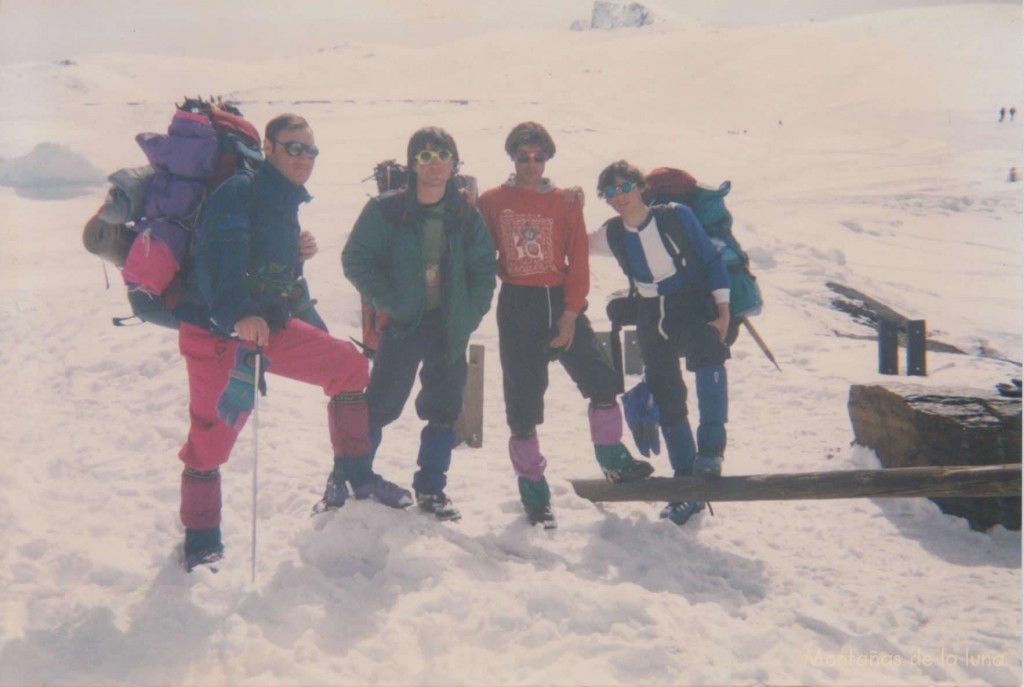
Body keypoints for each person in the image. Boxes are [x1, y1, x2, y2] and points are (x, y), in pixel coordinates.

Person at [177, 113, 378, 571]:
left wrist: (296, 255)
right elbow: (215, 261)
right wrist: (239, 314)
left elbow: (267, 274)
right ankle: (201, 537)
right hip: (215, 333)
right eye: (294, 147)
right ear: (268, 149)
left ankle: (353, 482)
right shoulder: (239, 190)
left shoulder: (283, 202)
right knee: (211, 440)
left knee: (348, 366)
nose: (304, 158)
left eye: (311, 150)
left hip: (268, 330)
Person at [477, 122, 654, 528]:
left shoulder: (566, 202)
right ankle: (534, 492)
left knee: (602, 381)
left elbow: (578, 258)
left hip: (559, 299)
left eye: (539, 157)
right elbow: (479, 251)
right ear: (512, 158)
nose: (531, 164)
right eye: (524, 157)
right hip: (518, 305)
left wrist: (571, 313)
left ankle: (613, 460)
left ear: (548, 158)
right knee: (522, 406)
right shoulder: (491, 201)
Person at [342, 126, 497, 521]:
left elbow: (483, 268)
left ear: (454, 163)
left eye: (442, 155)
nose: (434, 164)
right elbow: (356, 259)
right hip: (404, 323)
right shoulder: (387, 209)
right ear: (412, 163)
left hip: (449, 325)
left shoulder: (465, 213)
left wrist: (472, 310)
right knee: (379, 405)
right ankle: (347, 479)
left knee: (444, 408)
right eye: (425, 156)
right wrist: (389, 300)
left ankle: (431, 488)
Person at [597, 160, 731, 527]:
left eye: (626, 188)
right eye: (611, 192)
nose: (620, 197)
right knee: (666, 390)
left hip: (689, 300)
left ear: (641, 188)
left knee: (708, 361)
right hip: (648, 311)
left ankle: (711, 453)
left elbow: (710, 259)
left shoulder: (676, 217)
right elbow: (574, 242)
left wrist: (723, 312)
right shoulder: (612, 233)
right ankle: (684, 482)